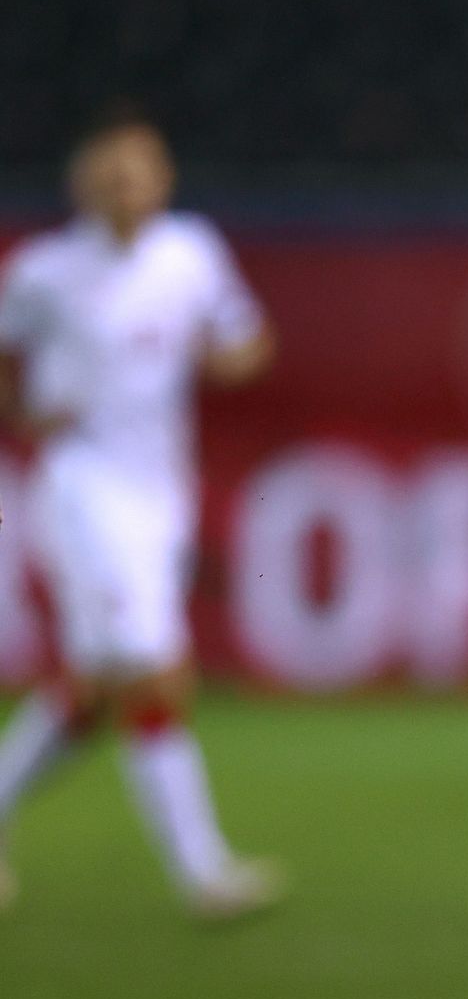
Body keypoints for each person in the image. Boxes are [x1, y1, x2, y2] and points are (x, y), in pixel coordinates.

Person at [0, 104, 280, 919]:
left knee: (92, 690)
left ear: (163, 179)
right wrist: (21, 415)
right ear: (84, 184)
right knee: (155, 667)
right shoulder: (45, 271)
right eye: (112, 173)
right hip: (82, 486)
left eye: (141, 171)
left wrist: (223, 355)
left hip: (160, 491)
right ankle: (205, 875)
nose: (128, 187)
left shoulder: (190, 253)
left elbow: (247, 340)